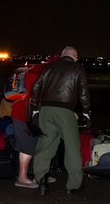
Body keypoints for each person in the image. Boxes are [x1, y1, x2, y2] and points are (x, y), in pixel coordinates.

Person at [28, 46, 90, 195]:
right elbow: (84, 93)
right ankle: (73, 185)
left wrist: (35, 110)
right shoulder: (77, 68)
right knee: (72, 147)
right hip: (66, 112)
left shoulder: (49, 66)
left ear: (62, 56)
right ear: (74, 56)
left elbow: (35, 87)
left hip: (46, 110)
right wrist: (86, 113)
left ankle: (42, 180)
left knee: (46, 145)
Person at [9, 57, 55, 188]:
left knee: (36, 146)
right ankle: (22, 178)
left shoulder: (36, 73)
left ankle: (39, 175)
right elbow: (36, 97)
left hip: (26, 114)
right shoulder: (37, 76)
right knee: (27, 147)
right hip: (23, 115)